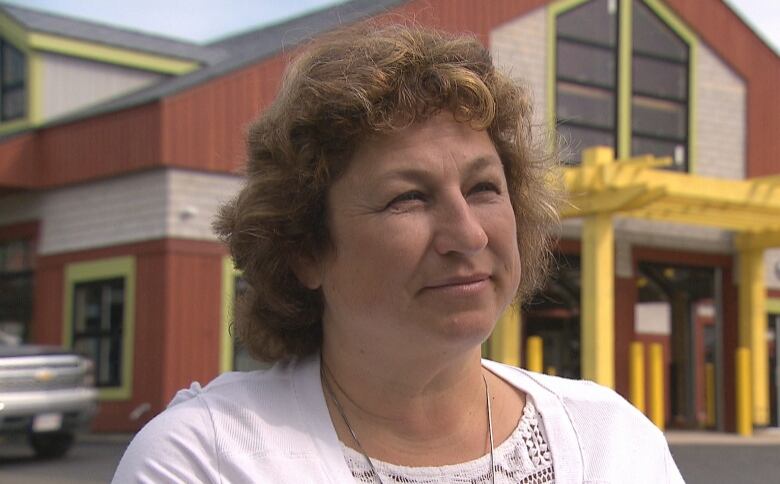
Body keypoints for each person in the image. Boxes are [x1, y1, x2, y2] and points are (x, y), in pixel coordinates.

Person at [113, 22, 684, 484]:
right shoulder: (207, 461)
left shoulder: (611, 442)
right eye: (407, 198)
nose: (468, 235)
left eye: (484, 187)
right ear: (305, 249)